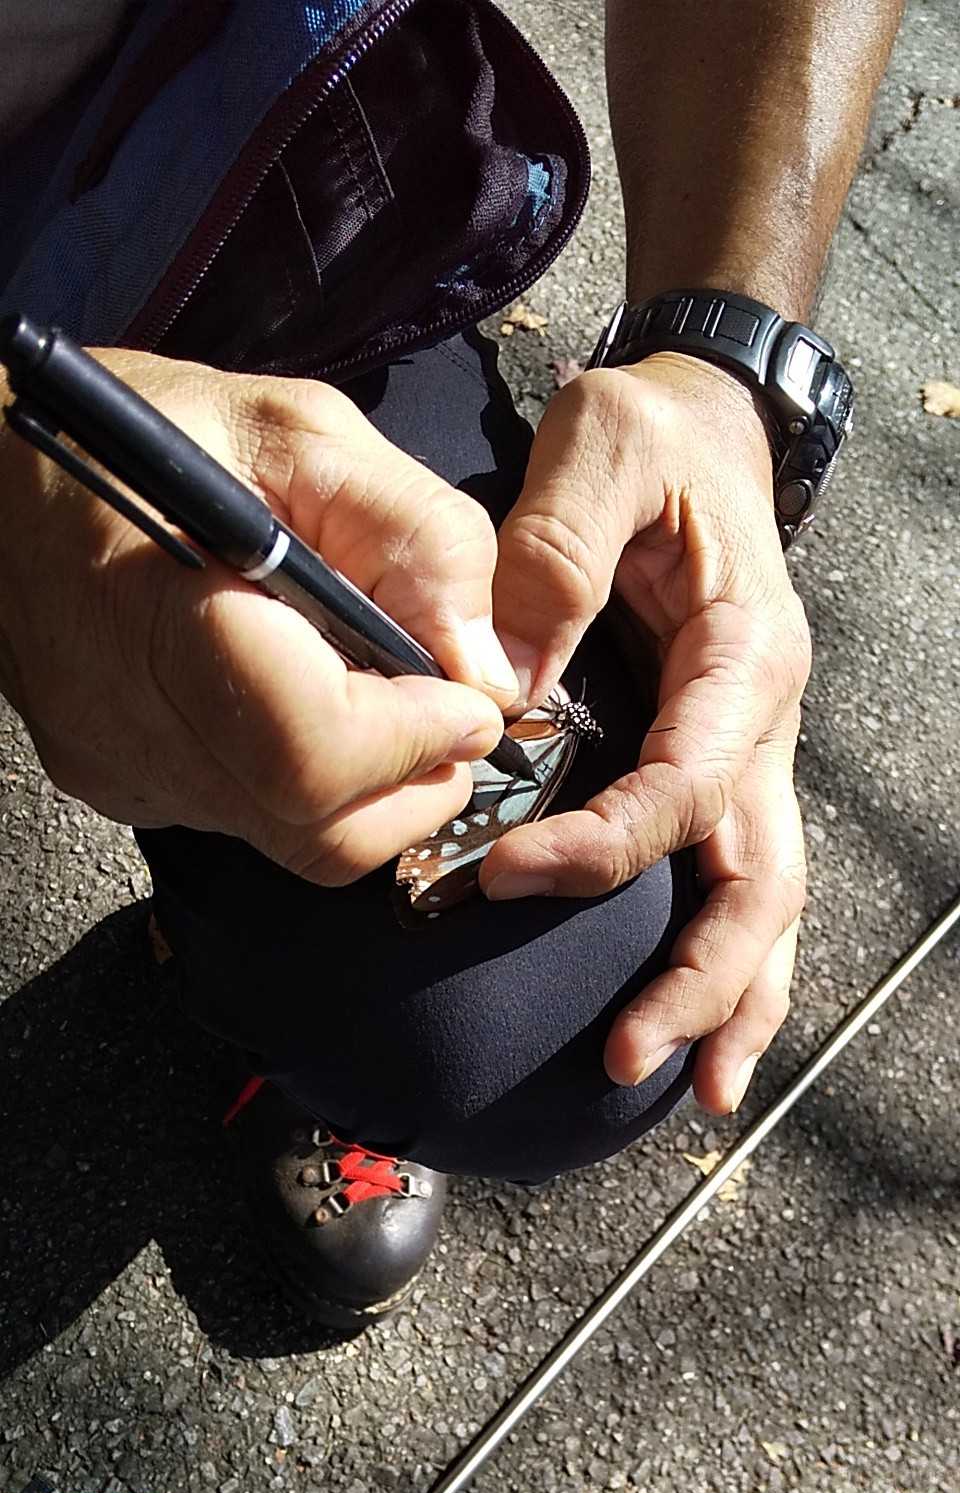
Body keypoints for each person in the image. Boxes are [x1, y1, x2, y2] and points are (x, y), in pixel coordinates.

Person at [0, 0, 903, 1331]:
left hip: (281, 162)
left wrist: (725, 373)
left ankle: (233, 960)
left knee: (557, 1003)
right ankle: (249, 926)